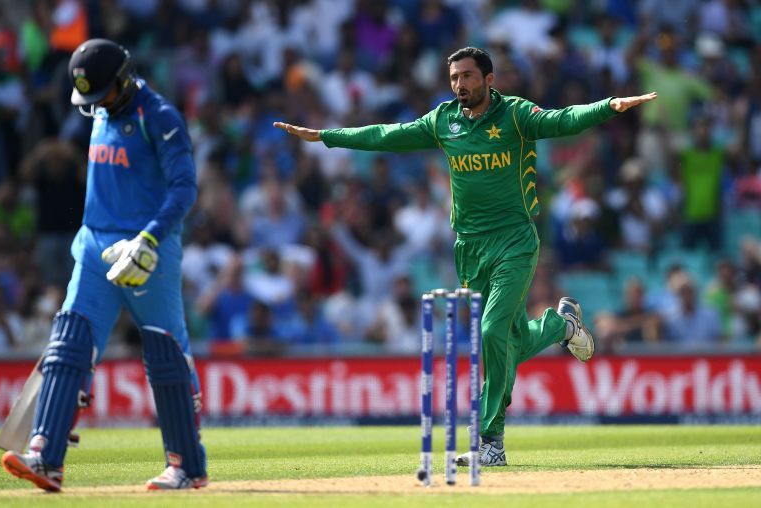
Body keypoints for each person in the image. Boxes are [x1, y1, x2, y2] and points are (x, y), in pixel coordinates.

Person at [274, 46, 656, 467]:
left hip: (514, 240)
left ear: (488, 79)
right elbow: (387, 134)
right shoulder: (443, 121)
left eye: (468, 76)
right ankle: (558, 325)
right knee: (506, 339)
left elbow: (561, 119)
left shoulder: (515, 115)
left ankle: (491, 441)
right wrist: (327, 137)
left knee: (491, 333)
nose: (459, 85)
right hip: (469, 248)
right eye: (454, 77)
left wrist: (609, 105)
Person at [0, 39, 207, 491]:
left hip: (147, 248)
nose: (100, 105)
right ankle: (45, 456)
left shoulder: (159, 116)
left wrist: (150, 237)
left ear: (126, 77)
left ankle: (186, 466)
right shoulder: (98, 110)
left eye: (105, 94)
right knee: (69, 341)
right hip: (94, 243)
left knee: (165, 352)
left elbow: (185, 188)